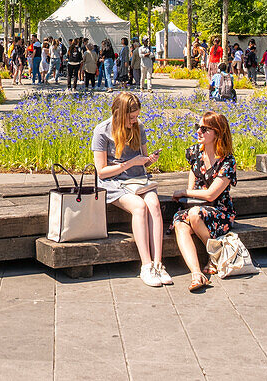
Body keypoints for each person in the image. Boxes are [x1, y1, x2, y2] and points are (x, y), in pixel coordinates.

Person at [92, 91, 170, 286]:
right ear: (119, 114)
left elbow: (143, 162)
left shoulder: (139, 127)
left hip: (137, 178)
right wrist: (129, 163)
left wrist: (149, 160)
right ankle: (146, 265)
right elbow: (101, 172)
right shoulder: (102, 131)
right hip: (113, 182)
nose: (135, 121)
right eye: (131, 117)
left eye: (136, 117)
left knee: (154, 204)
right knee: (139, 207)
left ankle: (158, 264)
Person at [172, 111, 238, 292]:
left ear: (218, 133)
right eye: (197, 127)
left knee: (194, 215)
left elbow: (211, 195)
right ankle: (196, 274)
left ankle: (213, 256)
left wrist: (184, 191)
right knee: (180, 224)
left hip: (219, 210)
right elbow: (193, 176)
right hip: (198, 208)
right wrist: (188, 195)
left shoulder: (227, 161)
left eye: (204, 129)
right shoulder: (194, 152)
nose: (198, 131)